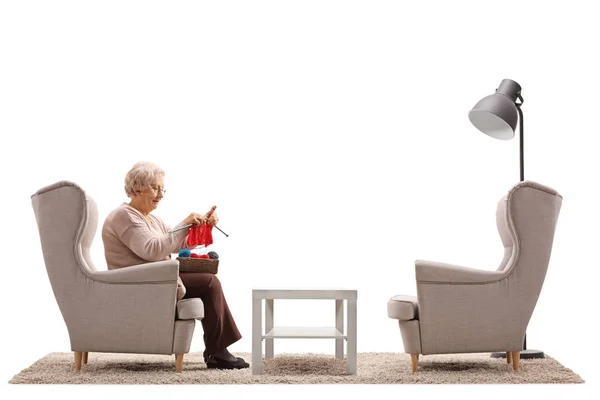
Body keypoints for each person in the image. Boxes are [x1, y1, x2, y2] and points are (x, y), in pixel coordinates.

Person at [101, 161, 249, 369]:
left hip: (153, 278)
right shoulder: (124, 216)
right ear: (137, 189)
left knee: (209, 281)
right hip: (138, 284)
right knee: (209, 283)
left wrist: (201, 225)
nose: (161, 194)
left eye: (162, 189)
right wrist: (183, 223)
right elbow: (153, 249)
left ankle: (217, 350)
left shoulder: (150, 219)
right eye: (155, 188)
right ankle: (217, 352)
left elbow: (177, 243)